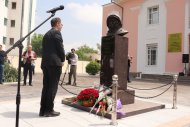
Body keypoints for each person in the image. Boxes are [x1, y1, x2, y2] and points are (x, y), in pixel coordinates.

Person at [39, 17, 65, 117]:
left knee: (46, 87)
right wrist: (62, 59)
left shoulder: (46, 34)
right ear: (57, 23)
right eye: (61, 24)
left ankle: (43, 110)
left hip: (45, 63)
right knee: (52, 88)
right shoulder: (56, 33)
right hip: (54, 63)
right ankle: (49, 110)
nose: (62, 26)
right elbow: (60, 48)